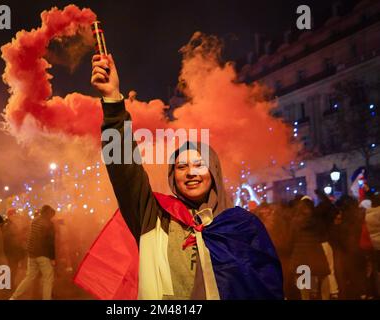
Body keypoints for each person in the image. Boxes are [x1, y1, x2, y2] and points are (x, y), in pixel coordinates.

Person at [74, 54, 283, 300]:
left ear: (214, 172)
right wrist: (112, 101)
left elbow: (267, 288)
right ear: (173, 176)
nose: (191, 172)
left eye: (198, 164)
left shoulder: (243, 226)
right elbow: (123, 168)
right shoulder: (154, 216)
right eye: (182, 167)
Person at [10, 205, 56, 300]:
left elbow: (32, 237)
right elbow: (50, 242)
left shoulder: (34, 220)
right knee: (48, 278)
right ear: (48, 213)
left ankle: (14, 297)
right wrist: (52, 258)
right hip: (43, 254)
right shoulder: (48, 223)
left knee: (29, 277)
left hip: (32, 253)